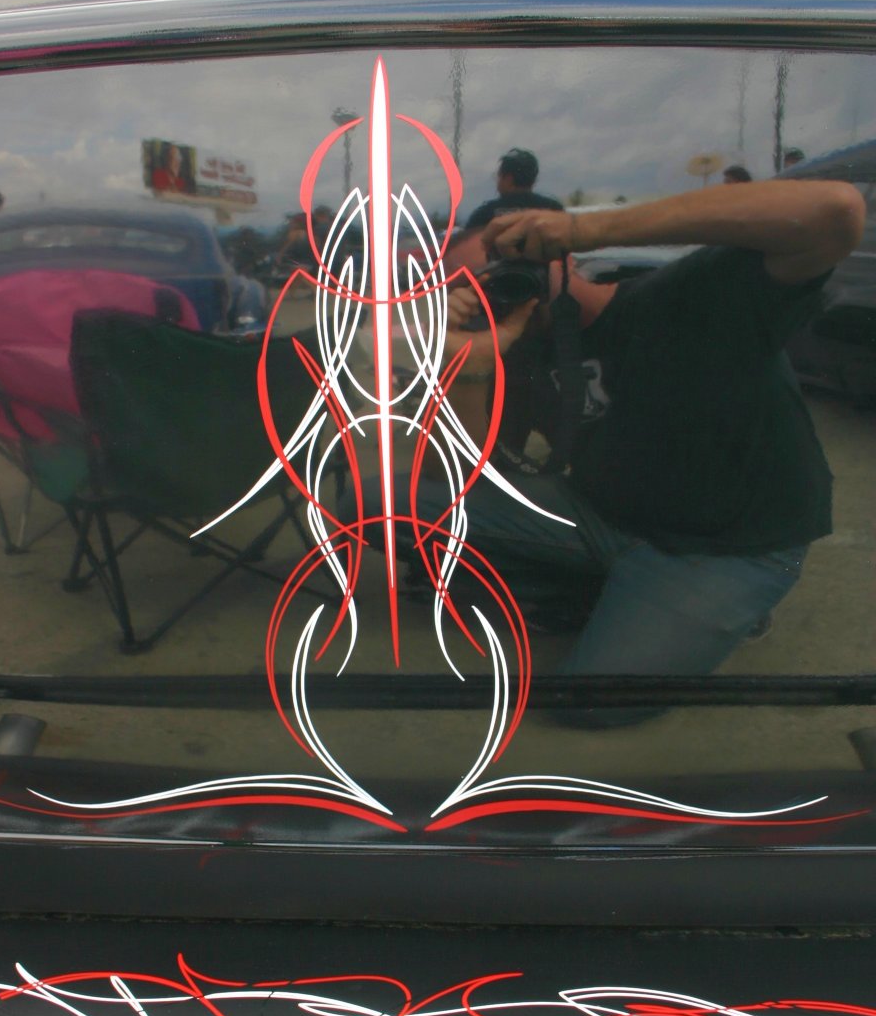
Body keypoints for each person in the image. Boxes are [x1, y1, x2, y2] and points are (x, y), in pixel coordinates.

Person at [349, 179, 864, 726]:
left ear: (562, 258)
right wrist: (467, 367)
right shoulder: (512, 351)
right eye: (469, 285)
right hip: (600, 512)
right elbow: (456, 483)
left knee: (588, 705)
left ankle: (711, 607)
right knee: (377, 502)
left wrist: (586, 226)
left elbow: (835, 211)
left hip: (730, 545)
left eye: (505, 266)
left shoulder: (681, 296)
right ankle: (606, 591)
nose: (496, 289)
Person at [465, 147, 563, 230]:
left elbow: (466, 244)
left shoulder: (484, 215)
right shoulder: (554, 211)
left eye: (499, 176)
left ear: (508, 179)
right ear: (533, 179)